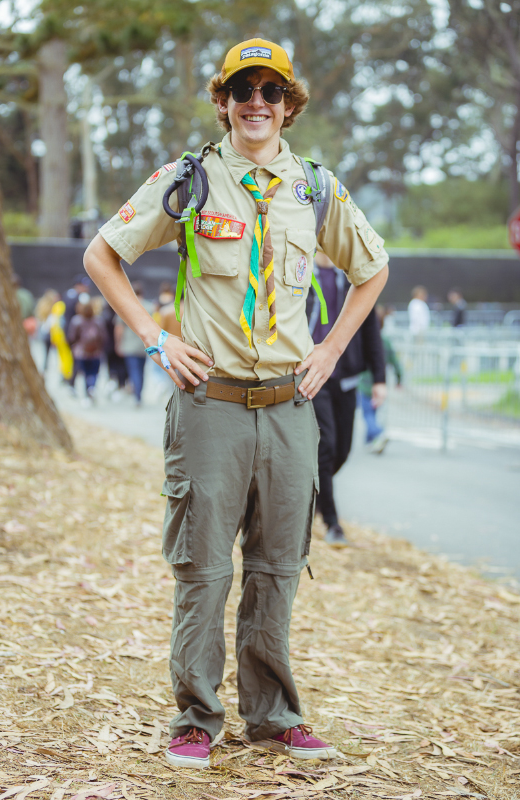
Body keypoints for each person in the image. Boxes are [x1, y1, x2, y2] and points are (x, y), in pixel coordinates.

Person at [83, 38, 389, 769]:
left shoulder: (315, 187)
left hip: (289, 406)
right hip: (209, 404)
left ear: (289, 104)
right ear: (223, 99)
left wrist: (330, 348)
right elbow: (103, 253)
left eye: (271, 90)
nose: (257, 102)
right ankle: (195, 717)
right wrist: (155, 340)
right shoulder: (188, 179)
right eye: (243, 88)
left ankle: (275, 716)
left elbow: (372, 269)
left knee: (278, 565)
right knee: (203, 567)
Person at [309, 250, 386, 545]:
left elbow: (371, 332)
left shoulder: (353, 279)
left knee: (342, 450)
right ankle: (332, 522)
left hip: (346, 376)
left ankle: (314, 495)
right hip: (313, 377)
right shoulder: (301, 273)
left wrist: (379, 378)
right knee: (325, 446)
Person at [357, 305, 403, 453]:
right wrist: (399, 378)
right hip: (380, 384)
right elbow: (395, 362)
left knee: (368, 414)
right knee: (374, 412)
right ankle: (370, 441)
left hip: (365, 385)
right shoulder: (387, 341)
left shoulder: (365, 341)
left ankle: (378, 433)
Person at [114, 281, 153, 406]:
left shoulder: (125, 306)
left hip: (129, 345)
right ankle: (139, 394)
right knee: (141, 371)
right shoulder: (150, 307)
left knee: (134, 371)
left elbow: (119, 328)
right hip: (144, 345)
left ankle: (137, 396)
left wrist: (118, 344)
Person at [67, 294, 106, 402]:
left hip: (81, 353)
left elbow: (71, 337)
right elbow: (103, 336)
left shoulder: (76, 320)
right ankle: (91, 387)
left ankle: (87, 393)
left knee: (84, 374)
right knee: (93, 372)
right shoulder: (98, 320)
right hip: (96, 353)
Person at [35, 289, 61, 372]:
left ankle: (45, 366)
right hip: (50, 332)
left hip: (43, 332)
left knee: (46, 351)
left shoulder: (42, 305)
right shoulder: (53, 308)